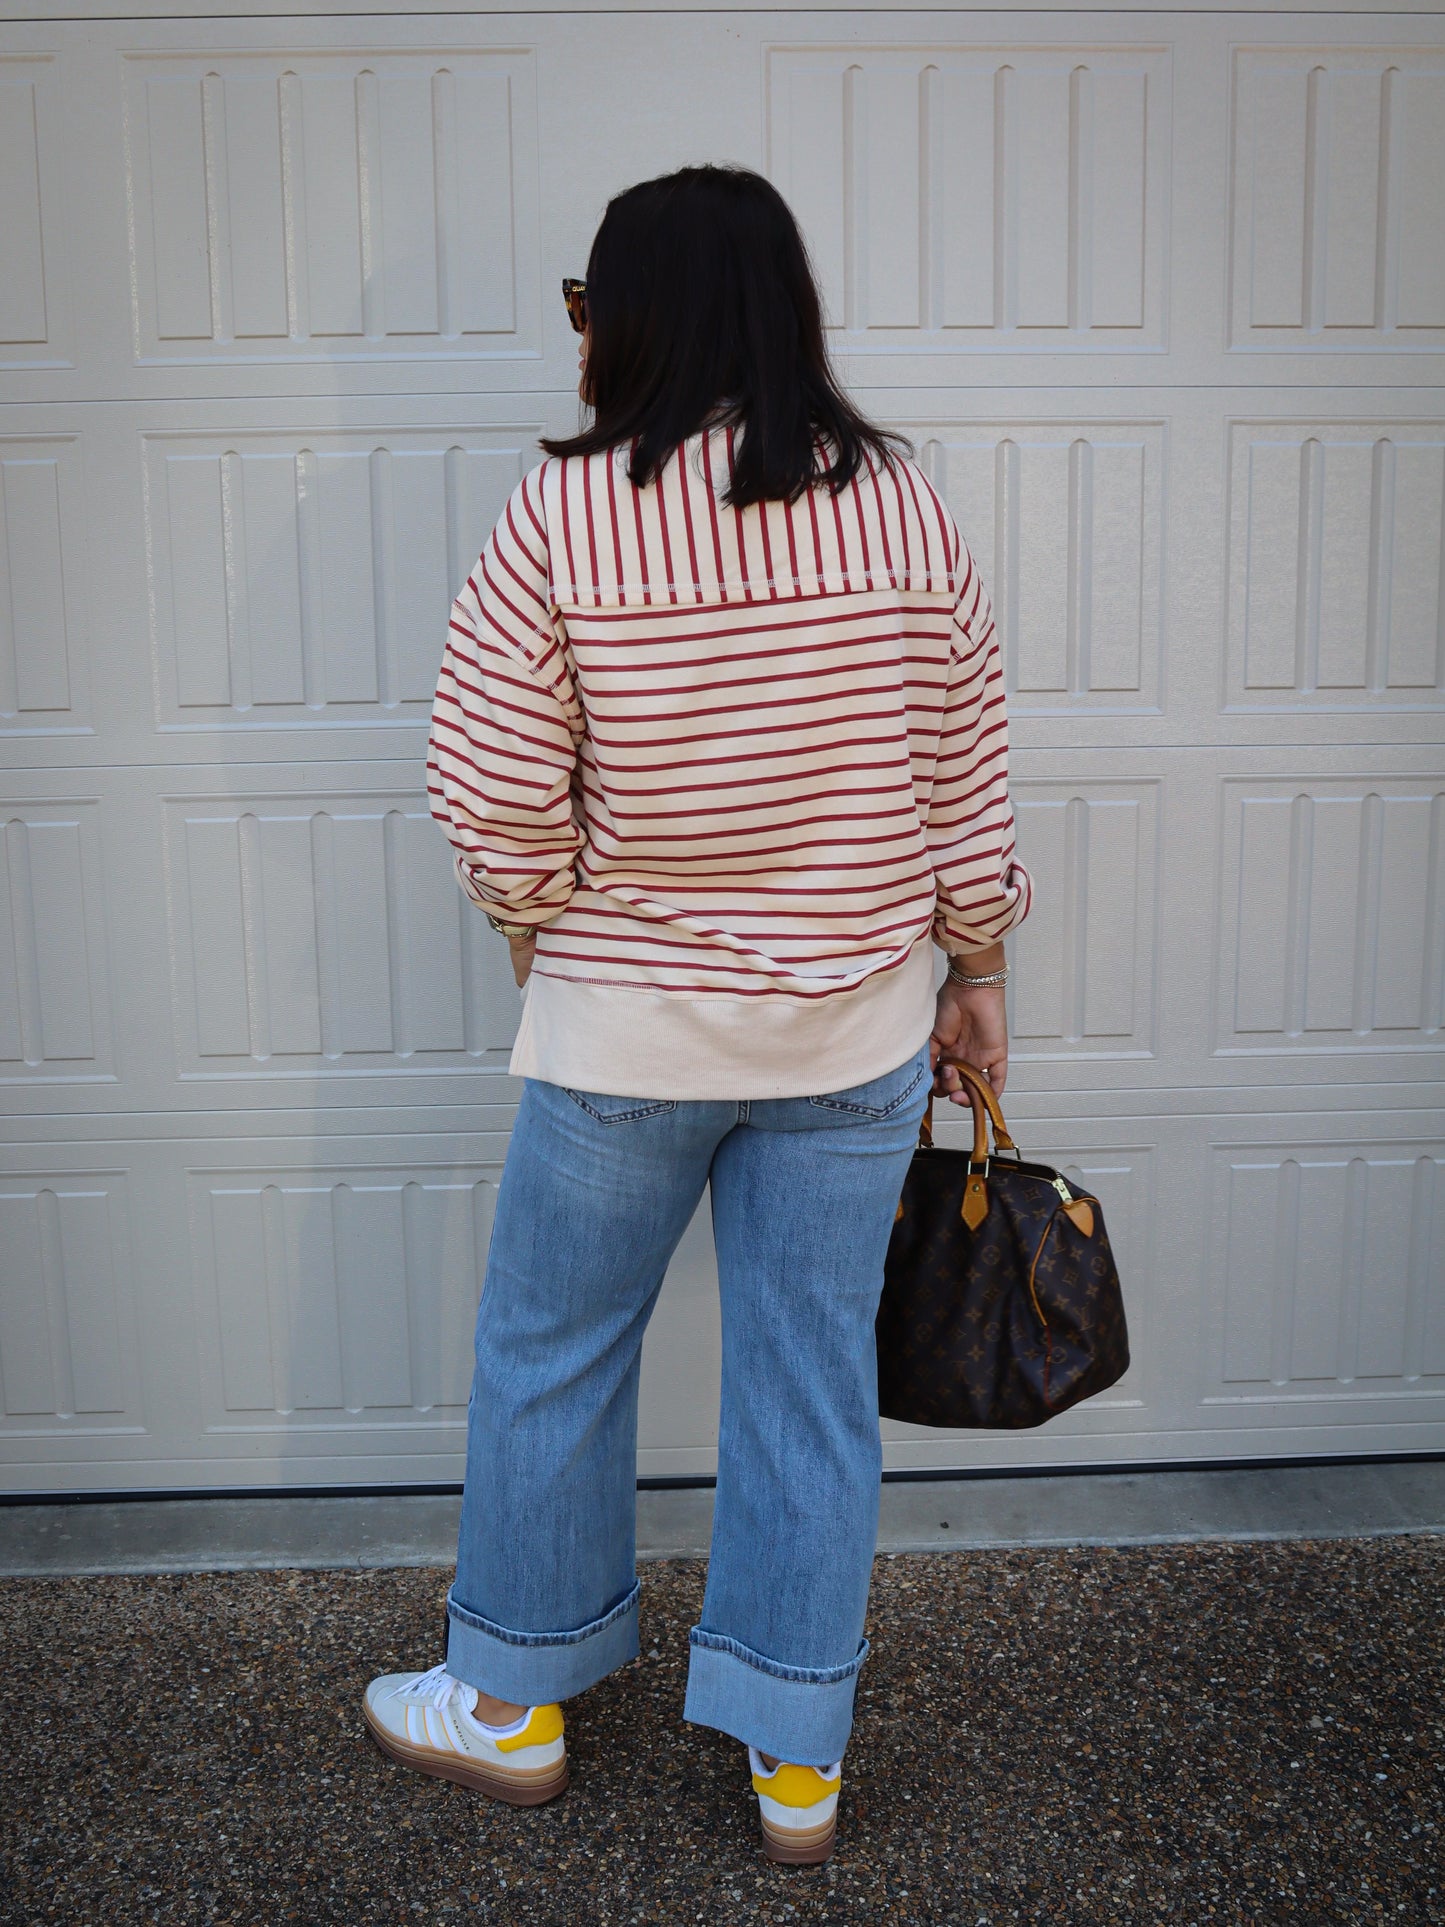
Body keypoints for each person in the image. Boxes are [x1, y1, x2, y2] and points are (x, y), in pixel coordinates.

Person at [363, 162, 1032, 1865]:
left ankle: (508, 1706)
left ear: (629, 319)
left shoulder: (560, 516)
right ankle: (795, 1762)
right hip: (857, 1033)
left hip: (622, 1038)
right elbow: (962, 770)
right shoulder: (901, 506)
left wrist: (537, 922)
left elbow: (487, 790)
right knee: (806, 1386)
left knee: (550, 1358)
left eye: (587, 309)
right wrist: (977, 970)